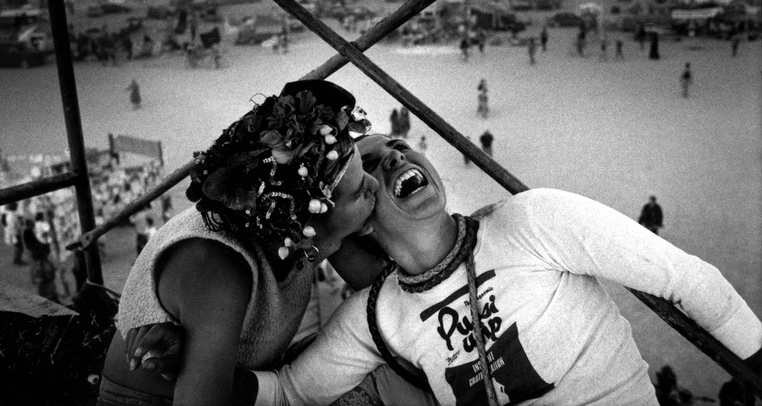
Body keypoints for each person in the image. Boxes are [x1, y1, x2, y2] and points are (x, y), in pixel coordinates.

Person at [128, 135, 762, 405]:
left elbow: (686, 280)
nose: (396, 158)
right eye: (368, 169)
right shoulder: (375, 317)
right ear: (359, 215)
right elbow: (291, 393)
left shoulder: (534, 221)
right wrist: (190, 356)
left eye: (397, 147)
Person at [97, 80, 380, 406]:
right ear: (305, 223)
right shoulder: (221, 270)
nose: (375, 185)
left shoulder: (293, 232)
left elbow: (386, 292)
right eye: (360, 191)